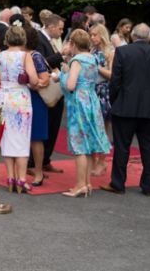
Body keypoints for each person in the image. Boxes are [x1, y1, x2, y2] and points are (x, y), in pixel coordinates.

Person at [101, 23, 150, 197]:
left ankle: (118, 182)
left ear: (132, 36)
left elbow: (116, 81)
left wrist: (114, 101)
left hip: (125, 107)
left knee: (122, 147)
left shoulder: (123, 52)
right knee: (149, 148)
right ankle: (148, 186)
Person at [60, 29, 112, 198]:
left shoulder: (77, 60)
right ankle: (87, 183)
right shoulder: (93, 58)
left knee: (79, 144)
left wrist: (65, 73)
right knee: (88, 144)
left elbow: (70, 85)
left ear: (74, 45)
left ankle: (80, 184)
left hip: (79, 101)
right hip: (91, 99)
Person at [0, 26, 38, 194]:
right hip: (19, 97)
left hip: (3, 97)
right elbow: (33, 80)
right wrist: (28, 82)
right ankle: (21, 179)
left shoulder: (1, 55)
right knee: (21, 137)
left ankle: (10, 177)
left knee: (6, 136)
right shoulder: (24, 56)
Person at [30, 13, 66, 175]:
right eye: (60, 29)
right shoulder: (39, 38)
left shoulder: (51, 40)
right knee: (44, 128)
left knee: (53, 126)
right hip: (45, 88)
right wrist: (61, 54)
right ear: (51, 27)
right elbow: (41, 63)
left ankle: (46, 160)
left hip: (55, 88)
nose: (62, 32)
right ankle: (34, 162)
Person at [22, 23, 51, 187]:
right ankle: (24, 169)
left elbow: (44, 79)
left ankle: (39, 172)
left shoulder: (35, 56)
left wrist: (29, 83)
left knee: (36, 137)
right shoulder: (19, 55)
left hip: (35, 98)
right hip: (22, 98)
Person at [89, 24, 115, 175]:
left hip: (104, 90)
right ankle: (93, 160)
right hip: (91, 90)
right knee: (91, 126)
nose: (92, 38)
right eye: (91, 35)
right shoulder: (92, 50)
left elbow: (112, 74)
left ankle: (102, 161)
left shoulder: (110, 51)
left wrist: (96, 66)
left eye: (95, 35)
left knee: (104, 127)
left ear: (102, 35)